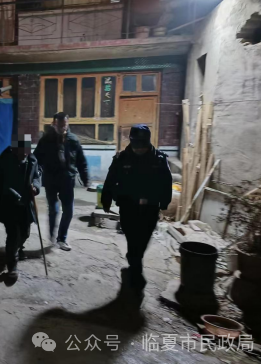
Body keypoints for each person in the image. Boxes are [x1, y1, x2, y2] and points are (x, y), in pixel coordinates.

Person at [101, 124, 172, 293]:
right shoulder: (122, 158)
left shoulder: (159, 159)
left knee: (143, 238)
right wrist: (106, 200)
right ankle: (135, 263)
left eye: (143, 145)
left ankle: (135, 262)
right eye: (136, 145)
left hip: (150, 208)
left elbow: (166, 181)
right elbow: (110, 180)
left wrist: (165, 202)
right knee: (132, 237)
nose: (139, 149)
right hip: (128, 207)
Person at [34, 112, 89, 251]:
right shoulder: (46, 140)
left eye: (64, 125)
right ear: (54, 124)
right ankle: (52, 235)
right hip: (51, 180)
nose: (62, 128)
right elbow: (36, 159)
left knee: (68, 211)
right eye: (59, 125)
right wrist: (33, 175)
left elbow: (81, 161)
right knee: (54, 209)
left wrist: (86, 178)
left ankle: (61, 239)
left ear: (67, 124)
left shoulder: (73, 140)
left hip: (67, 180)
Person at [0, 134, 41, 283]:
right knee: (13, 235)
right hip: (9, 204)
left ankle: (15, 250)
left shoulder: (32, 160)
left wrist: (36, 187)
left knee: (25, 233)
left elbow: (37, 176)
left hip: (25, 205)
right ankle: (12, 265)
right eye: (22, 149)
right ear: (14, 148)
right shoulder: (3, 160)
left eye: (27, 149)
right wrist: (11, 193)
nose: (25, 152)